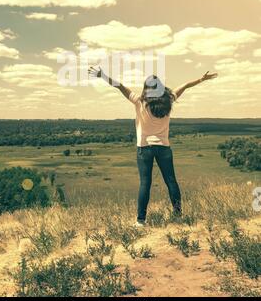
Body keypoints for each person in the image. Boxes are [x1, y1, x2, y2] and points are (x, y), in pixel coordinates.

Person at [88, 66, 218, 226]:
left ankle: (141, 221)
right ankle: (178, 216)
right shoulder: (169, 100)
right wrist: (201, 79)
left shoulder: (139, 101)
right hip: (164, 147)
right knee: (171, 181)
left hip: (144, 148)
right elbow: (184, 85)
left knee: (145, 183)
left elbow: (119, 86)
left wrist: (103, 75)